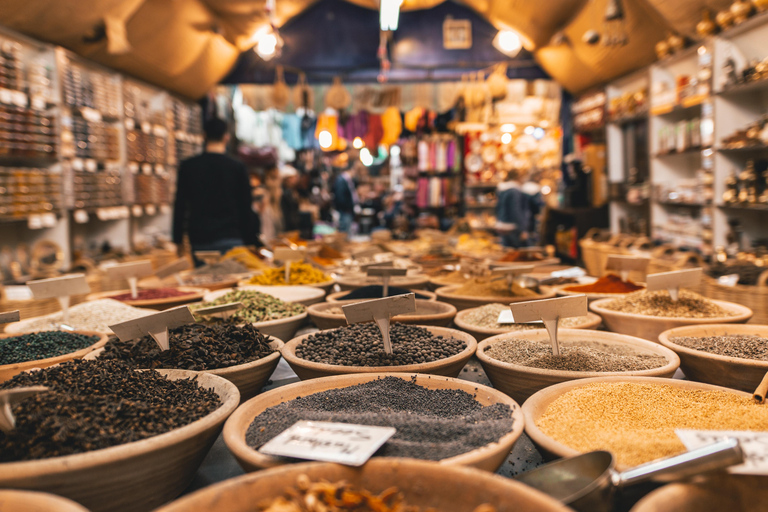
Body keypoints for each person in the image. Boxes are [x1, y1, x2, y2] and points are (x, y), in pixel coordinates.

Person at [172, 118, 257, 263]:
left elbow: (180, 204)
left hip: (200, 239)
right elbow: (245, 206)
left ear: (204, 136)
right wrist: (250, 239)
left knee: (205, 282)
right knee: (233, 282)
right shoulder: (237, 167)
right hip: (231, 237)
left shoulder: (188, 166)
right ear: (226, 137)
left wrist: (178, 239)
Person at [495, 169, 533, 248]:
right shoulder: (514, 191)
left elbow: (498, 208)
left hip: (503, 225)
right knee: (519, 254)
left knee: (507, 252)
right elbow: (516, 211)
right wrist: (522, 229)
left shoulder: (503, 190)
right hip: (513, 228)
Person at [333, 162, 359, 233]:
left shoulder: (347, 180)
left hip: (347, 210)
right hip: (345, 211)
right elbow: (340, 197)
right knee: (344, 232)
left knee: (347, 231)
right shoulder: (342, 180)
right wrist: (347, 207)